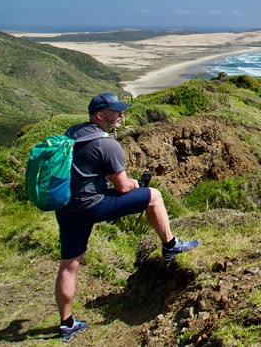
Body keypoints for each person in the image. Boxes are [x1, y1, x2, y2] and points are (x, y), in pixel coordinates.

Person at [54, 92, 199, 341]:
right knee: (152, 196)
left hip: (68, 206)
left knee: (69, 266)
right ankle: (171, 246)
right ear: (100, 115)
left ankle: (67, 323)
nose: (121, 114)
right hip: (93, 204)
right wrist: (133, 183)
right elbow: (121, 187)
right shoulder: (107, 144)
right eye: (116, 111)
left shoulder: (73, 132)